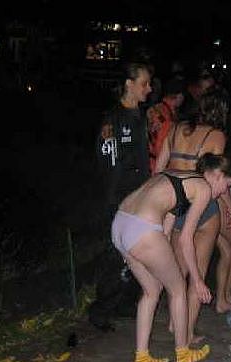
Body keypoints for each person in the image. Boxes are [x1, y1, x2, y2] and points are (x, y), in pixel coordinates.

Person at [111, 153, 231, 362]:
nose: (223, 192)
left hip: (120, 225)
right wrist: (197, 280)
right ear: (217, 174)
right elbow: (186, 239)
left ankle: (142, 357)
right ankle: (183, 352)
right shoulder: (203, 189)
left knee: (151, 290)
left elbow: (167, 231)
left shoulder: (176, 177)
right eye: (226, 185)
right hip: (143, 229)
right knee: (178, 290)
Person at [156, 89, 231, 343]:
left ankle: (173, 322)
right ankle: (186, 333)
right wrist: (229, 206)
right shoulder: (216, 136)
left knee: (178, 271)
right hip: (203, 206)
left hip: (176, 204)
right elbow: (215, 177)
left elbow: (159, 170)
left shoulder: (175, 129)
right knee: (197, 270)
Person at [88, 61, 153, 332]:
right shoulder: (113, 118)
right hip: (120, 199)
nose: (149, 89)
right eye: (144, 83)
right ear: (129, 84)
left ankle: (127, 303)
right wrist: (116, 201)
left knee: (139, 249)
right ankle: (100, 310)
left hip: (139, 195)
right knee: (115, 253)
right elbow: (107, 161)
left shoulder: (140, 116)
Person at [147, 78, 185, 175]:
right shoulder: (165, 116)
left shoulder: (156, 108)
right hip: (157, 166)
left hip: (151, 162)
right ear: (178, 95)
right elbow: (160, 146)